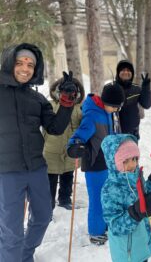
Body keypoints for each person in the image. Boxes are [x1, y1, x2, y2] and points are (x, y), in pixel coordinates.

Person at [0, 43, 77, 262]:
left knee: (43, 217)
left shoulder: (37, 99)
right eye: (20, 63)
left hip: (36, 168)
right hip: (7, 172)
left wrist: (67, 100)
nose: (25, 68)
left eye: (30, 64)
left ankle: (24, 255)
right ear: (9, 63)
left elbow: (55, 127)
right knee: (11, 231)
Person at [101, 133, 151, 262]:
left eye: (134, 159)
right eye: (125, 161)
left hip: (140, 243)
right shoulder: (110, 190)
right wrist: (136, 213)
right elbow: (115, 226)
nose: (132, 164)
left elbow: (143, 195)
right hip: (127, 252)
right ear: (114, 163)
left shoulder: (135, 177)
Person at [67, 82, 125, 245]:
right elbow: (79, 135)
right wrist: (74, 146)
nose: (116, 110)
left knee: (107, 198)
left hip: (108, 163)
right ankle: (96, 232)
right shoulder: (93, 115)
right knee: (98, 200)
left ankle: (105, 225)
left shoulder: (108, 112)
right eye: (115, 107)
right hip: (94, 164)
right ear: (106, 102)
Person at [44, 75, 85, 210]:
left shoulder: (79, 108)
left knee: (68, 174)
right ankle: (48, 202)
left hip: (70, 148)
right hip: (52, 147)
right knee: (51, 176)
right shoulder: (50, 105)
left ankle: (65, 198)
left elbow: (82, 124)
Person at [115, 59, 151, 140]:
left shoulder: (136, 88)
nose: (126, 72)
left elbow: (146, 104)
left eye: (128, 70)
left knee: (132, 153)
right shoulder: (112, 88)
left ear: (132, 73)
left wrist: (145, 87)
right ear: (118, 72)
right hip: (115, 132)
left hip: (132, 132)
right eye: (123, 70)